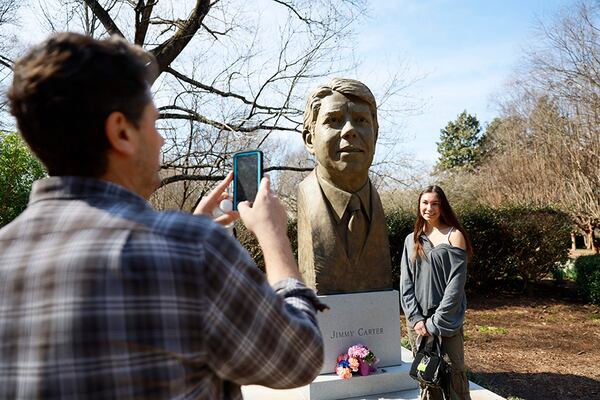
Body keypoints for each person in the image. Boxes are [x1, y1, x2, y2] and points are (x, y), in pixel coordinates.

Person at [0, 32, 325, 400]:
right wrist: (274, 238)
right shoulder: (192, 249)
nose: (162, 141)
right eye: (153, 124)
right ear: (121, 131)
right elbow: (300, 358)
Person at [297, 77, 392, 295]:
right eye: (334, 120)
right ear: (310, 139)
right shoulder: (307, 197)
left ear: (375, 135)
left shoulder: (376, 205)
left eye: (361, 120)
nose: (350, 130)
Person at [400, 185, 473, 400]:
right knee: (428, 374)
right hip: (418, 323)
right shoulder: (411, 240)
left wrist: (435, 322)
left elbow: (456, 285)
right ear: (419, 205)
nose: (429, 208)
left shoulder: (455, 235)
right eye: (425, 203)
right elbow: (406, 283)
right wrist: (416, 319)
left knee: (454, 374)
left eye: (435, 203)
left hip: (447, 320)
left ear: (442, 207)